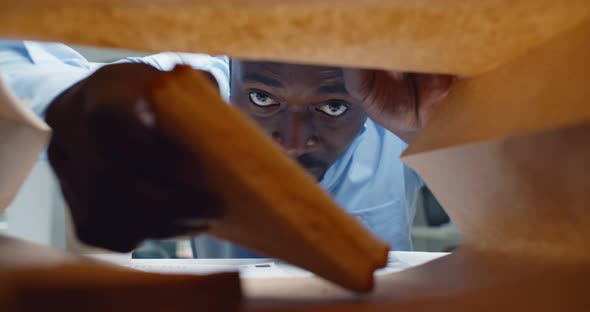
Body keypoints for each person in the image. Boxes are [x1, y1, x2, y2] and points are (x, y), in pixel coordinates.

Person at [0, 40, 453, 255]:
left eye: (333, 106)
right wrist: (74, 104)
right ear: (230, 74)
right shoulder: (188, 93)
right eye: (262, 98)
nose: (294, 141)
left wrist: (435, 127)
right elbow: (11, 67)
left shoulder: (396, 113)